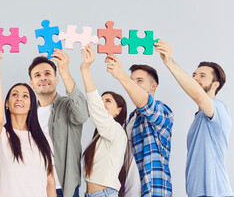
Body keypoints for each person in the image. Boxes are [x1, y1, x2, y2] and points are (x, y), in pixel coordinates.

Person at [155, 40, 233, 197]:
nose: (196, 78)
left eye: (202, 76)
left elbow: (198, 94)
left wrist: (169, 62)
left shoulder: (219, 109)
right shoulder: (198, 119)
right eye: (194, 75)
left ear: (215, 84)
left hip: (216, 193)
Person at [0, 49, 56, 197]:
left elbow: (50, 182)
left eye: (25, 96)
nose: (19, 99)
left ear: (31, 104)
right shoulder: (0, 136)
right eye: (14, 95)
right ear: (6, 103)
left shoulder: (44, 138)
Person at [105, 55, 174, 197]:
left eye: (140, 81)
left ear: (153, 86)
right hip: (127, 191)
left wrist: (121, 75)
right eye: (132, 81)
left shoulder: (164, 112)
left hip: (152, 190)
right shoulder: (131, 118)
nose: (134, 84)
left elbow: (147, 105)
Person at [28, 49, 89, 197]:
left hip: (63, 188)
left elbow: (82, 115)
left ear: (56, 79)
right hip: (33, 186)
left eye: (48, 74)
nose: (43, 78)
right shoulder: (27, 114)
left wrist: (64, 72)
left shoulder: (68, 106)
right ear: (32, 84)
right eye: (37, 75)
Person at [80, 45, 127, 197]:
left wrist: (85, 70)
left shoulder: (116, 131)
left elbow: (95, 107)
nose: (102, 104)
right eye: (101, 100)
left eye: (107, 101)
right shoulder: (101, 137)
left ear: (118, 111)